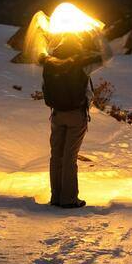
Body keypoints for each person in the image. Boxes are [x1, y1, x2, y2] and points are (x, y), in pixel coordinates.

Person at [42, 33, 102, 208]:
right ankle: (69, 199)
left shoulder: (50, 63)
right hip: (76, 114)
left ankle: (56, 197)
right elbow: (106, 56)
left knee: (56, 156)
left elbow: (45, 86)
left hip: (57, 114)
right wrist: (97, 36)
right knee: (69, 157)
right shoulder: (81, 63)